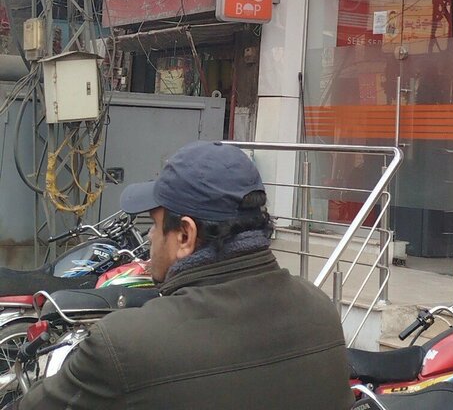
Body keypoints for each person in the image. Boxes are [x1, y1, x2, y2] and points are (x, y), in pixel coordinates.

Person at [18, 141, 352, 409]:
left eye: (155, 224)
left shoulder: (124, 346)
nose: (149, 238)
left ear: (184, 236)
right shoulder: (320, 311)